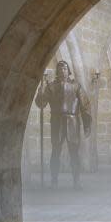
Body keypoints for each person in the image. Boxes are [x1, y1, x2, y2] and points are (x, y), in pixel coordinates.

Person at [35, 60, 92, 190]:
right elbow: (41, 103)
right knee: (55, 152)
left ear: (69, 70)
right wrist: (41, 90)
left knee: (74, 153)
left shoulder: (76, 86)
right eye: (60, 68)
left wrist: (86, 124)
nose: (62, 71)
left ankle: (76, 181)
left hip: (73, 121)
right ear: (57, 71)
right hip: (57, 121)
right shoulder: (51, 86)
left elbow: (85, 106)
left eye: (65, 68)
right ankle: (54, 180)